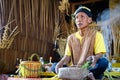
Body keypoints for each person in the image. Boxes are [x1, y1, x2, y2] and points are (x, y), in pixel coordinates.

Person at [55, 6, 108, 80]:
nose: (78, 20)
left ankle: (86, 74)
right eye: (76, 17)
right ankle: (85, 76)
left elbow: (99, 54)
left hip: (90, 68)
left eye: (82, 17)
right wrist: (60, 62)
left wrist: (95, 58)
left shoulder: (97, 35)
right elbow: (67, 57)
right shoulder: (71, 38)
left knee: (104, 62)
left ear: (89, 20)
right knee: (54, 66)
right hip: (75, 69)